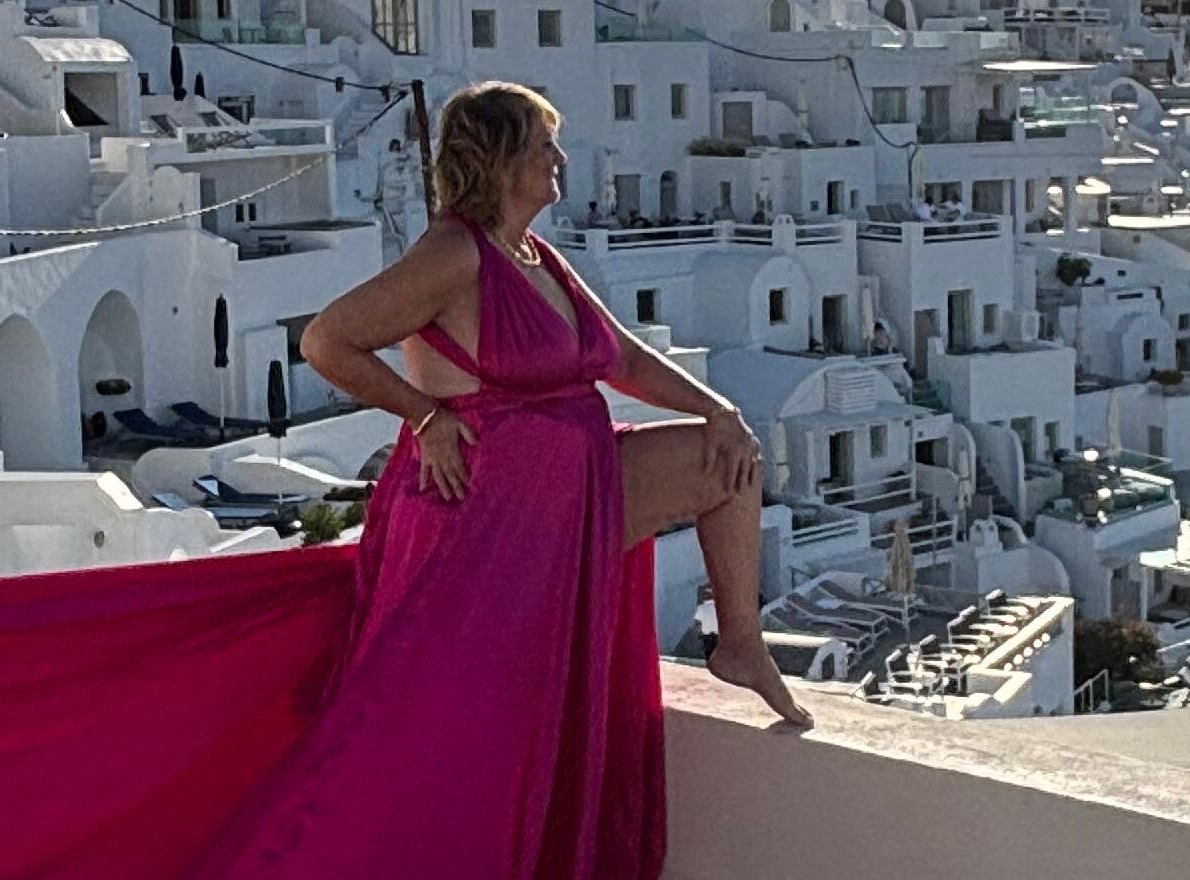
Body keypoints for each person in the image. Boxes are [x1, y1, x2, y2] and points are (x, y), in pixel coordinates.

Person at [302, 78, 814, 733]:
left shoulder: (536, 256)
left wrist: (720, 410)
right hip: (491, 508)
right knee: (495, 722)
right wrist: (425, 417)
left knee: (731, 460)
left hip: (573, 485)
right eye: (546, 146)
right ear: (502, 158)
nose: (560, 160)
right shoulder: (454, 252)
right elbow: (327, 341)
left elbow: (621, 359)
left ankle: (741, 643)